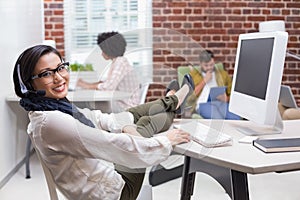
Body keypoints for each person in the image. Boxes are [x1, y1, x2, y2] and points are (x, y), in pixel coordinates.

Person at [13, 44, 193, 200]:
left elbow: (95, 117)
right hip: (115, 194)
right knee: (145, 123)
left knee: (130, 115)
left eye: (60, 68)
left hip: (99, 184)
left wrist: (122, 125)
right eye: (46, 74)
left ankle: (174, 101)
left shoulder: (49, 108)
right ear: (28, 85)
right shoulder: (52, 121)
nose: (59, 77)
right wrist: (167, 141)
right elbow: (113, 144)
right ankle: (174, 103)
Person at [76, 31, 140, 112]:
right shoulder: (117, 61)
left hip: (127, 107)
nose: (101, 53)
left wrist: (86, 86)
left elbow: (109, 86)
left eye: (102, 50)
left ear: (109, 49)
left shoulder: (120, 62)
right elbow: (107, 82)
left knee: (88, 107)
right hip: (120, 104)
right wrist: (87, 84)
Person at [186, 50, 240, 120]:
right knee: (218, 118)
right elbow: (189, 97)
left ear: (214, 61)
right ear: (200, 64)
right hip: (203, 104)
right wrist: (204, 81)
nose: (209, 67)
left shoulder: (223, 74)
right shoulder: (193, 75)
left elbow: (233, 94)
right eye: (206, 65)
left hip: (221, 103)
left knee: (235, 117)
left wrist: (227, 98)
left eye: (211, 64)